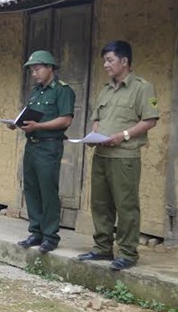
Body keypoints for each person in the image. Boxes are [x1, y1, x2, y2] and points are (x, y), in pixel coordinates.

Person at [78, 41, 160, 270]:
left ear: (124, 61)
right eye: (104, 60)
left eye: (110, 60)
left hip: (125, 157)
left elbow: (150, 120)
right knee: (100, 204)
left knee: (126, 206)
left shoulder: (142, 88)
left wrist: (123, 135)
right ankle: (102, 248)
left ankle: (127, 253)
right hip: (101, 155)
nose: (105, 65)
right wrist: (93, 135)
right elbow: (97, 118)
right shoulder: (106, 89)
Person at [14, 50, 75, 253]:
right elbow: (31, 115)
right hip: (32, 145)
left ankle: (50, 236)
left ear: (50, 68)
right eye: (32, 70)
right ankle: (36, 232)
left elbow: (66, 119)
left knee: (47, 190)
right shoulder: (36, 91)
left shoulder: (62, 91)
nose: (34, 73)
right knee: (31, 188)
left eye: (37, 69)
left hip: (49, 146)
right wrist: (18, 123)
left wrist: (38, 127)